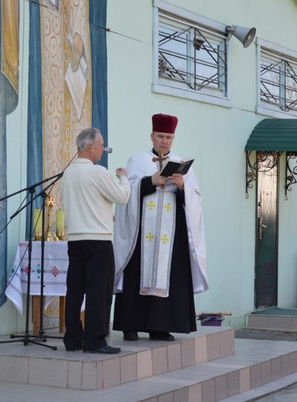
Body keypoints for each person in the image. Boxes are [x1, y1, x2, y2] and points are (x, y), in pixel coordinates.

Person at [112, 113, 209, 342]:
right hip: (140, 233)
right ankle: (130, 326)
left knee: (169, 275)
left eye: (168, 137)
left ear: (173, 138)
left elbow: (196, 199)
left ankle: (160, 327)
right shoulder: (137, 161)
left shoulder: (182, 164)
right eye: (160, 136)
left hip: (170, 234)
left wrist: (182, 186)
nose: (164, 141)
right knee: (135, 274)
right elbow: (127, 193)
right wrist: (150, 181)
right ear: (152, 136)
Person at [61, 127, 131, 354]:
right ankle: (95, 341)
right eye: (101, 145)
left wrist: (103, 214)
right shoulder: (98, 172)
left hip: (75, 239)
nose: (103, 148)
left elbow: (83, 203)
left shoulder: (67, 173)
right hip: (98, 241)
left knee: (75, 291)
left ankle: (72, 339)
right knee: (98, 292)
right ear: (90, 146)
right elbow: (122, 197)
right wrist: (124, 178)